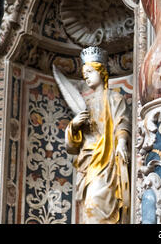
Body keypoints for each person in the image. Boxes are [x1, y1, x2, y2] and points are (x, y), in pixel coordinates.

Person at [65, 46, 131, 224]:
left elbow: (121, 122)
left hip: (108, 160)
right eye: (83, 73)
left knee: (102, 203)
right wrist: (74, 126)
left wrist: (122, 143)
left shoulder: (115, 98)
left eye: (89, 71)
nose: (85, 76)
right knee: (90, 206)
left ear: (101, 72)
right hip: (89, 162)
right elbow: (72, 147)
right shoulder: (84, 104)